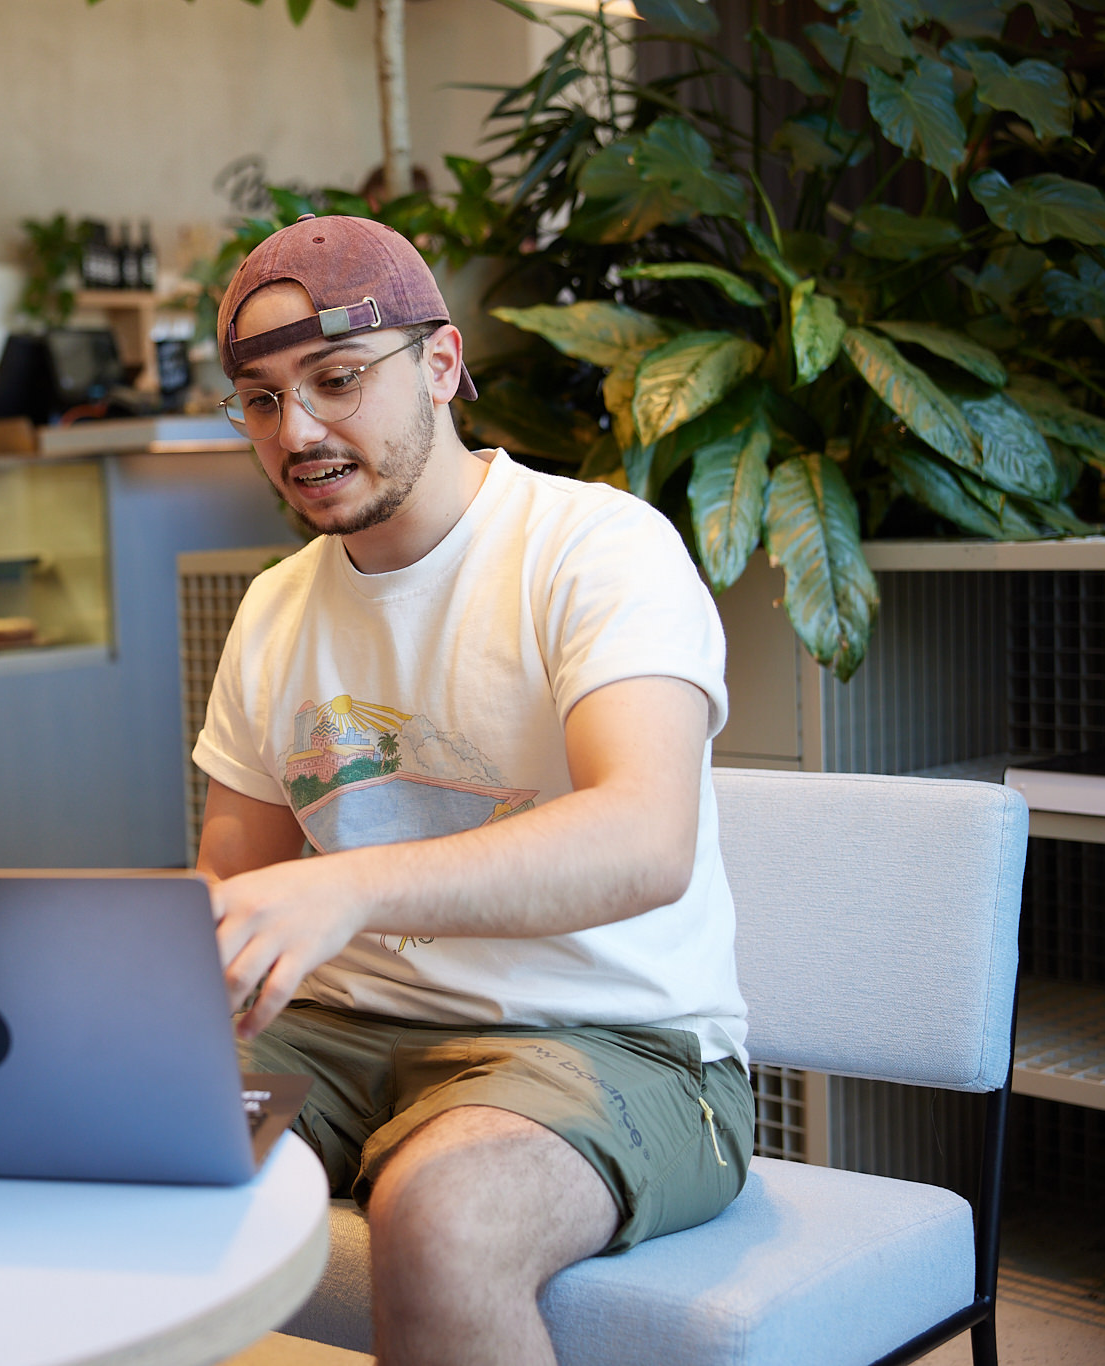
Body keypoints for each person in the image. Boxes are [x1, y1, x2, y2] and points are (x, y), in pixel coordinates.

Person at [194, 215, 751, 1366]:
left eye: (336, 380)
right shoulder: (273, 608)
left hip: (613, 1042)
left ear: (441, 365)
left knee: (440, 1212)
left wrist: (346, 890)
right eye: (258, 400)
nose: (295, 431)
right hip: (338, 1033)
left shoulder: (597, 548)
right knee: (105, 1162)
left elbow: (644, 838)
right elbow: (231, 884)